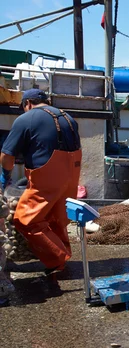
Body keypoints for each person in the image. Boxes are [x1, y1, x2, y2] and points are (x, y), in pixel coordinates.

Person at [0, 89, 81, 275]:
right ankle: (59, 261)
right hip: (71, 175)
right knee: (56, 220)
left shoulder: (26, 119)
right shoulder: (68, 117)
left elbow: (7, 155)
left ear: (27, 103)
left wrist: (6, 174)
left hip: (47, 177)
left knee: (25, 220)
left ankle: (58, 257)